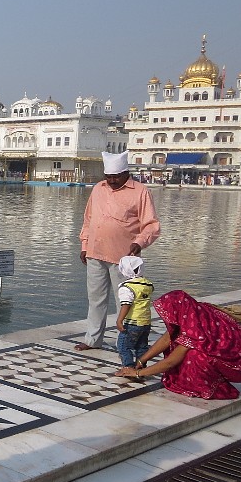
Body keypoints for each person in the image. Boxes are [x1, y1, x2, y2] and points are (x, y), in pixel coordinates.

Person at [75, 150, 161, 351]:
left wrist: (140, 242)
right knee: (96, 299)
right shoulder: (98, 188)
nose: (112, 180)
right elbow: (88, 220)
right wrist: (84, 246)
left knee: (127, 301)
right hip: (95, 253)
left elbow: (151, 225)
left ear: (126, 173)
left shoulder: (140, 191)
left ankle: (128, 342)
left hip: (124, 259)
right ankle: (93, 339)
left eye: (116, 176)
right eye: (108, 177)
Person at [115, 290, 241, 399]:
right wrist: (140, 362)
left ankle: (211, 387)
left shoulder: (194, 332)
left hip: (237, 364)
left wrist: (137, 373)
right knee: (177, 340)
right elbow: (166, 339)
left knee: (194, 356)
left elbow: (170, 362)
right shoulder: (195, 312)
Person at [115, 255, 153, 367]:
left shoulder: (126, 287)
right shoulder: (148, 284)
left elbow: (126, 304)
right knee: (141, 347)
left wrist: (119, 320)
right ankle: (141, 368)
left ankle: (128, 368)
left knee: (123, 346)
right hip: (145, 322)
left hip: (132, 323)